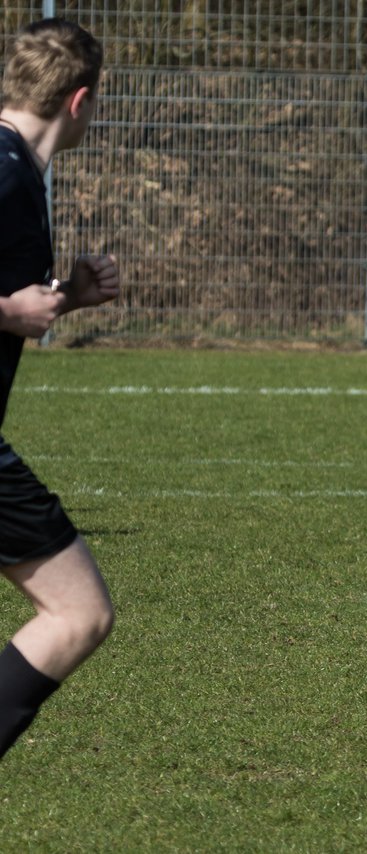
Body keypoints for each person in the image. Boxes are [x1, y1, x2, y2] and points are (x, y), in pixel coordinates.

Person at [0, 18, 120, 759]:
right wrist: (11, 309)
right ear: (80, 102)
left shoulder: (18, 168)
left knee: (79, 615)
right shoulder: (5, 171)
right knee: (77, 614)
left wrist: (63, 300)